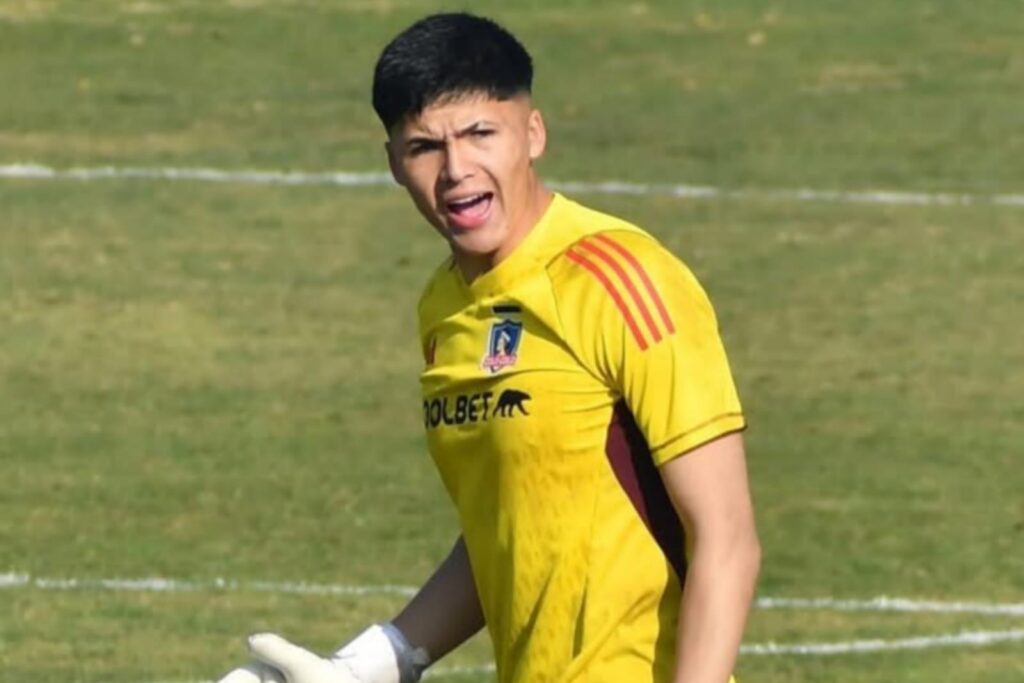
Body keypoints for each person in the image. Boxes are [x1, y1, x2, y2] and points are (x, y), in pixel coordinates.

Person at [218, 12, 760, 683]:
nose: (455, 170)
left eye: (480, 133)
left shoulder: (621, 278)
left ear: (532, 133)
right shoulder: (443, 309)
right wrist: (369, 663)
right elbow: (508, 528)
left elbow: (727, 538)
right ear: (392, 163)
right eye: (424, 147)